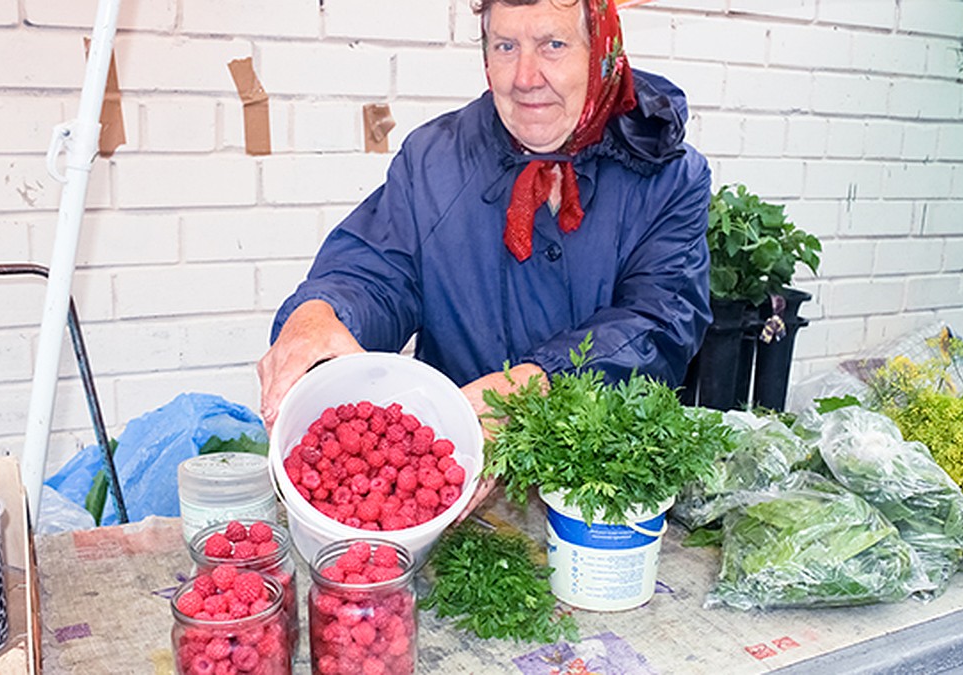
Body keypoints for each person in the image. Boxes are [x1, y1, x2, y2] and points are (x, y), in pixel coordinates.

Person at [257, 0, 712, 514]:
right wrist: (322, 312)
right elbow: (378, 272)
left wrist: (541, 384)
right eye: (505, 46)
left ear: (601, 50)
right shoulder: (434, 158)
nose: (524, 76)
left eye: (553, 45)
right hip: (453, 480)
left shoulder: (671, 178)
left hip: (595, 497)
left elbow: (662, 320)